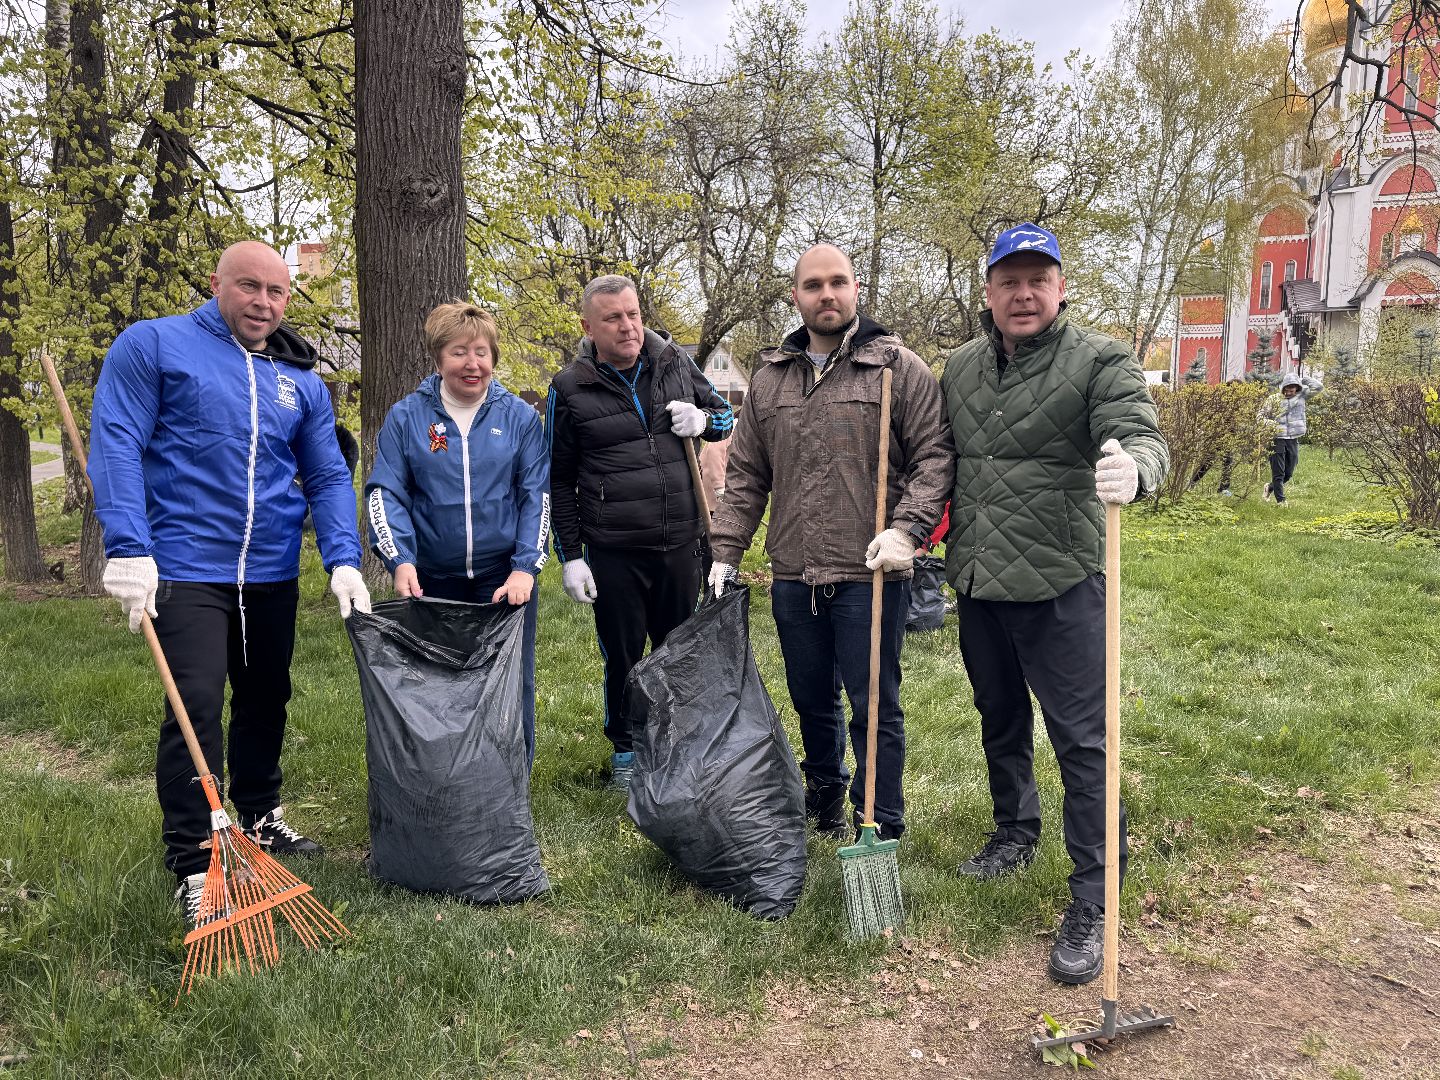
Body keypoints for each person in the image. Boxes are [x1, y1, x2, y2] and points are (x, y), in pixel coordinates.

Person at [87, 240, 370, 928]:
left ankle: (260, 814)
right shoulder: (154, 345)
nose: (264, 303)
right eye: (250, 287)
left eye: (277, 293)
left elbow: (328, 473)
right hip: (185, 566)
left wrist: (343, 558)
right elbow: (117, 437)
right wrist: (129, 547)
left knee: (267, 695)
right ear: (218, 283)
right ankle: (194, 859)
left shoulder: (297, 375)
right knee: (196, 704)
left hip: (270, 568)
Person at [939, 223, 1168, 986]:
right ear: (989, 292)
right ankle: (1013, 831)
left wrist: (1135, 468)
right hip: (978, 582)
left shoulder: (1100, 360)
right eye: (1010, 280)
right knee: (999, 720)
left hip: (1063, 582)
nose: (1024, 293)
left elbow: (1138, 432)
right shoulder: (961, 368)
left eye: (1039, 279)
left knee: (1083, 743)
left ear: (1061, 287)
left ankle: (1095, 896)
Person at [707, 244, 954, 840]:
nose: (827, 294)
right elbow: (745, 477)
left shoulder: (898, 368)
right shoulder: (770, 381)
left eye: (838, 282)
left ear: (856, 289)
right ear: (795, 295)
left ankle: (880, 822)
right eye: (813, 285)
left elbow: (935, 456)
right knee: (811, 698)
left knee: (874, 707)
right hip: (794, 571)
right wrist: (723, 553)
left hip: (871, 569)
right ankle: (824, 801)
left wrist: (908, 530)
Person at [546, 274, 735, 791]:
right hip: (614, 549)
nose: (628, 326)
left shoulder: (675, 363)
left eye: (633, 314)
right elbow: (558, 478)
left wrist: (703, 421)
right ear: (589, 326)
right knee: (624, 655)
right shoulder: (570, 388)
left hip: (681, 540)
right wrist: (571, 555)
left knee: (679, 650)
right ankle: (628, 749)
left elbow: (726, 417)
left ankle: (677, 743)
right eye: (613, 318)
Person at [364, 301, 550, 761]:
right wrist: (399, 559)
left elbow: (536, 497)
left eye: (482, 352)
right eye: (459, 352)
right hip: (431, 578)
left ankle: (509, 780)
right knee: (437, 688)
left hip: (502, 580)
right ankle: (442, 782)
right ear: (437, 358)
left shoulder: (520, 418)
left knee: (507, 684)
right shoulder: (407, 417)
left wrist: (526, 567)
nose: (473, 364)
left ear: (494, 358)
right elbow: (385, 493)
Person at [1260, 370, 1322, 505]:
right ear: (1282, 388)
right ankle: (1281, 501)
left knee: (1288, 473)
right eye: (1286, 389)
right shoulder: (1274, 399)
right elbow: (1260, 416)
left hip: (1293, 438)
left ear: (1297, 388)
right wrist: (1271, 424)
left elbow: (1318, 387)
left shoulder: (1302, 396)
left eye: (1292, 390)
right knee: (1278, 472)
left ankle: (1269, 487)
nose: (1288, 392)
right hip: (1276, 438)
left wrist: (1303, 379)